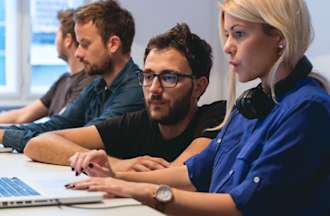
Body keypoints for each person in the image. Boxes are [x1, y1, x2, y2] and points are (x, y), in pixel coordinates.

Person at [66, 0, 330, 215]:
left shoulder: (306, 109)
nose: (227, 46)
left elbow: (243, 206)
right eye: (227, 35)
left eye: (239, 34)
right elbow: (194, 174)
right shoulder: (252, 104)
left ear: (279, 38)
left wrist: (143, 192)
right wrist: (116, 176)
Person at [23, 23, 226, 172]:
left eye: (169, 77)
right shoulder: (138, 123)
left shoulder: (217, 118)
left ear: (199, 87)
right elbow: (38, 143)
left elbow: (177, 174)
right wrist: (117, 163)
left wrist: (112, 173)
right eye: (148, 76)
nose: (154, 88)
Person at [0, 0, 144, 152]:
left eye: (85, 44)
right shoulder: (99, 85)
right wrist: (3, 132)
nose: (78, 53)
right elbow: (55, 125)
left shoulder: (135, 90)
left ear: (113, 44)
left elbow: (73, 140)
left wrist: (4, 136)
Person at [0, 9, 94, 124]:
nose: (55, 40)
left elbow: (59, 125)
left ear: (68, 40)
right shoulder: (63, 80)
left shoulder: (89, 82)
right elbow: (23, 115)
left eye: (56, 34)